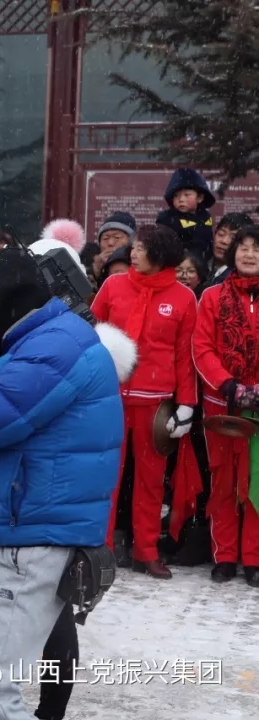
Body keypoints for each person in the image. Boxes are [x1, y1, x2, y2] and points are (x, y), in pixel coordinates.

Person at [0, 246, 123, 720]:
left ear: (13, 299)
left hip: (30, 537)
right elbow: (4, 443)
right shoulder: (35, 341)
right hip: (4, 524)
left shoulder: (53, 348)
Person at [92, 224, 198, 578]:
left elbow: (185, 356)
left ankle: (146, 549)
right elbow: (91, 337)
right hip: (111, 397)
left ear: (158, 255)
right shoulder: (113, 286)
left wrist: (187, 405)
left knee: (151, 482)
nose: (131, 253)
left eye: (139, 248)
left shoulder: (184, 298)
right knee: (106, 474)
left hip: (156, 403)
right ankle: (100, 548)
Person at [193, 225, 259, 587]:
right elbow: (202, 348)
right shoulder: (213, 296)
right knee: (223, 483)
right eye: (243, 247)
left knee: (256, 483)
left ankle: (253, 557)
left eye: (256, 249)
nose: (249, 254)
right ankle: (225, 555)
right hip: (223, 404)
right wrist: (229, 384)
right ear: (232, 253)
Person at [156, 167, 216, 265]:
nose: (181, 199)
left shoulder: (205, 216)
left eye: (187, 195)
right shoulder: (167, 219)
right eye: (176, 195)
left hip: (204, 265)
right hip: (177, 266)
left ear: (200, 198)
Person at [209, 212, 253, 287]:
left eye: (233, 238)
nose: (224, 241)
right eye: (221, 234)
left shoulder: (242, 276)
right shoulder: (200, 263)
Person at [91, 211, 137, 279]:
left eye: (117, 237)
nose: (110, 243)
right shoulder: (88, 268)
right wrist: (96, 271)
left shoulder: (142, 267)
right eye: (105, 238)